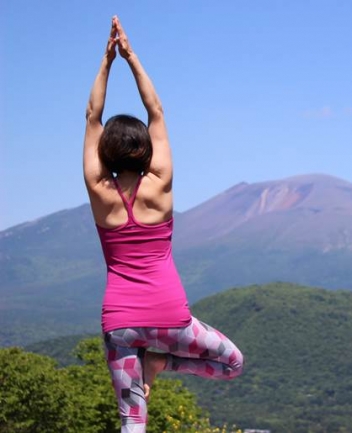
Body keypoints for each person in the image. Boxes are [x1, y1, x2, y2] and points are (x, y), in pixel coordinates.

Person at [83, 16, 244, 432]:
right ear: (145, 151)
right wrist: (130, 57)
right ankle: (163, 362)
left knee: (132, 421)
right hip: (171, 320)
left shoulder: (100, 190)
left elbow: (91, 115)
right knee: (232, 363)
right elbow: (155, 109)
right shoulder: (160, 184)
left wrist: (106, 62)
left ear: (106, 152)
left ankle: (152, 364)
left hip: (118, 324)